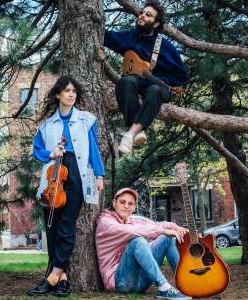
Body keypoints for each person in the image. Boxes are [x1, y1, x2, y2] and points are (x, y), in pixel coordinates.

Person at [28, 75, 105, 297]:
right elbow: (37, 150)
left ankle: (51, 277)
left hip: (76, 173)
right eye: (67, 91)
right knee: (51, 229)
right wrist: (50, 153)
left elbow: (93, 150)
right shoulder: (46, 125)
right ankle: (63, 280)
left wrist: (99, 175)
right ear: (57, 95)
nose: (71, 94)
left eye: (74, 91)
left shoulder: (86, 120)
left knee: (66, 227)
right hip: (53, 176)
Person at [104, 0, 188, 154]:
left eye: (148, 15)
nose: (142, 16)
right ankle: (137, 131)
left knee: (154, 90)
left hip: (160, 86)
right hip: (137, 81)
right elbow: (107, 37)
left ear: (156, 24)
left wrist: (165, 81)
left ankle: (130, 134)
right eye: (142, 12)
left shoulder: (165, 46)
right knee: (126, 81)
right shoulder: (131, 37)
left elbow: (182, 75)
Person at [95, 188, 191, 300]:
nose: (126, 206)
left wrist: (178, 228)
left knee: (167, 238)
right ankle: (164, 288)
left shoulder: (131, 220)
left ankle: (187, 283)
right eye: (122, 202)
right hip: (120, 283)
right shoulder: (105, 222)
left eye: (130, 204)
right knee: (138, 241)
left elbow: (155, 225)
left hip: (140, 282)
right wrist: (162, 231)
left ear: (134, 207)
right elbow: (130, 231)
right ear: (114, 203)